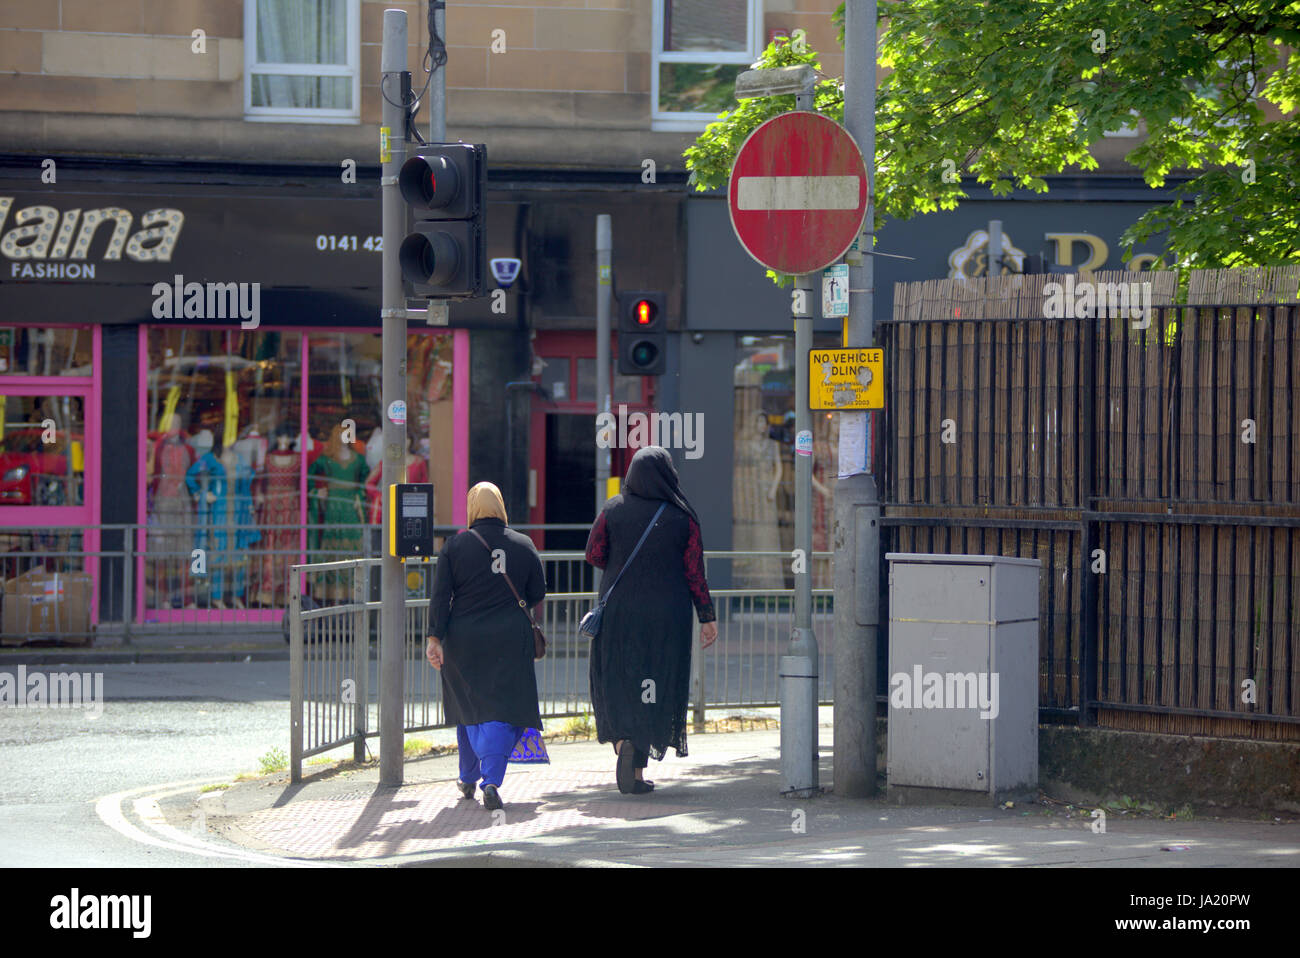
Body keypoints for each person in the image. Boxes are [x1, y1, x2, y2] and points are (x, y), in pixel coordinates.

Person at [585, 446, 718, 794]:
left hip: (619, 614)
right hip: (665, 618)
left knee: (619, 678)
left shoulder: (613, 509)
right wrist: (708, 617)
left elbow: (594, 553)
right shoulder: (682, 517)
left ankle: (623, 742)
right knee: (652, 683)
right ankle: (638, 768)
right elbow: (694, 572)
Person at [425, 482, 547, 811]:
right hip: (511, 638)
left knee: (467, 703)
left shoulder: (455, 546)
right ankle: (489, 779)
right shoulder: (524, 544)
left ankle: (467, 775)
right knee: (508, 708)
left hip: (463, 639)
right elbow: (537, 592)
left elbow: (440, 597)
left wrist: (434, 638)